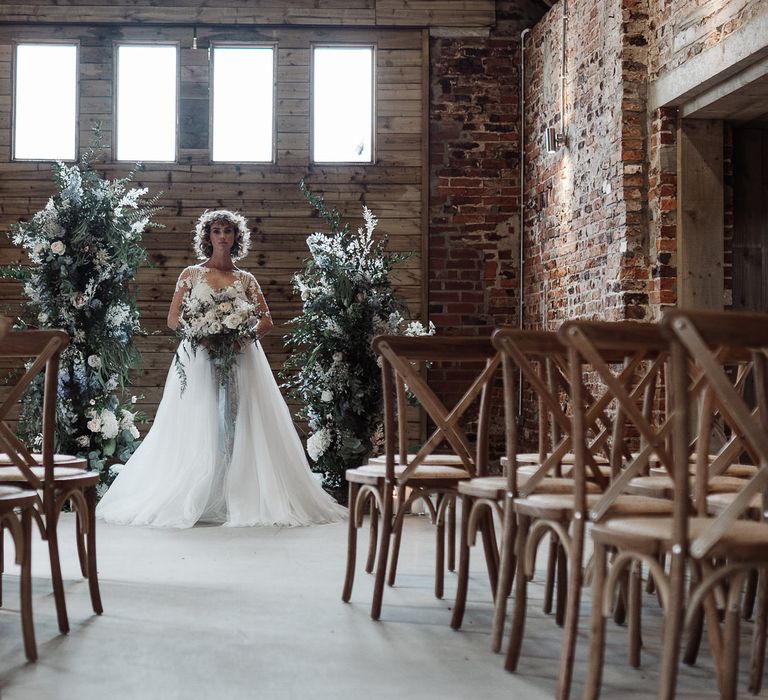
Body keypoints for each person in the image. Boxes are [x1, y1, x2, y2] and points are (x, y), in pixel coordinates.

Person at [96, 210, 346, 528]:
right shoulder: (191, 274)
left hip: (241, 357)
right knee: (199, 419)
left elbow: (267, 320)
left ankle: (239, 491)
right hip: (198, 357)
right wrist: (200, 334)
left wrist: (242, 339)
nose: (223, 237)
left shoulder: (246, 280)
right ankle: (202, 490)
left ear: (236, 237)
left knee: (241, 419)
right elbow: (173, 319)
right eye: (217, 231)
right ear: (208, 237)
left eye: (228, 231)